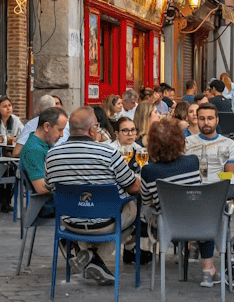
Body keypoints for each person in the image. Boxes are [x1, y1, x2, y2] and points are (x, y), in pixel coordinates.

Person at [44, 107, 141, 285]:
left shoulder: (51, 156)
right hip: (105, 222)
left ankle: (88, 255)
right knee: (133, 208)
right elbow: (133, 186)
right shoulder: (109, 153)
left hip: (70, 222)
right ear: (91, 130)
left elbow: (50, 187)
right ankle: (93, 257)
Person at [138, 118, 221, 285]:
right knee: (204, 213)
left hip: (167, 225)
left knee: (148, 211)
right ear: (180, 141)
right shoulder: (192, 162)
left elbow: (146, 200)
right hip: (198, 224)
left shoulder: (148, 171)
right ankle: (207, 271)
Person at [20, 106, 68, 196]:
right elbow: (41, 188)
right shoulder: (33, 150)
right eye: (60, 130)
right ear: (47, 126)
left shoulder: (43, 145)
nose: (62, 135)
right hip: (51, 205)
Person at [185, 102, 234, 180]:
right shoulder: (187, 142)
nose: (206, 123)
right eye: (202, 119)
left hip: (218, 188)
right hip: (194, 187)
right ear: (197, 120)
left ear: (217, 120)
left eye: (210, 118)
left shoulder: (228, 143)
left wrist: (213, 178)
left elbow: (231, 176)